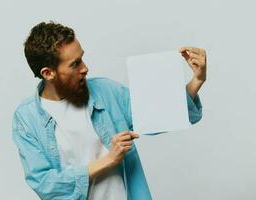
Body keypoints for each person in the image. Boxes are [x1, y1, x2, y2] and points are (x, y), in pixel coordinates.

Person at [12, 21, 206, 200]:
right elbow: (45, 184)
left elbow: (159, 113)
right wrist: (109, 159)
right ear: (48, 73)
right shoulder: (27, 119)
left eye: (82, 58)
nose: (85, 68)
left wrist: (196, 81)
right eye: (74, 64)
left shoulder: (105, 91)